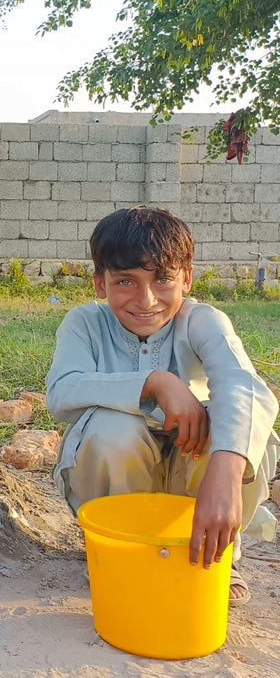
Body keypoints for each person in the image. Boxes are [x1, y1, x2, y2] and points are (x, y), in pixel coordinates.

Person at [46, 206, 279, 604]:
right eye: (125, 281)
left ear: (186, 278)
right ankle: (119, 552)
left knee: (230, 428)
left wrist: (225, 469)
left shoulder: (203, 321)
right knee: (109, 429)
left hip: (195, 485)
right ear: (100, 284)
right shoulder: (84, 323)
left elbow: (244, 385)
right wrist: (156, 382)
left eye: (163, 279)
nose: (146, 299)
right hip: (121, 488)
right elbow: (63, 391)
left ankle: (213, 557)